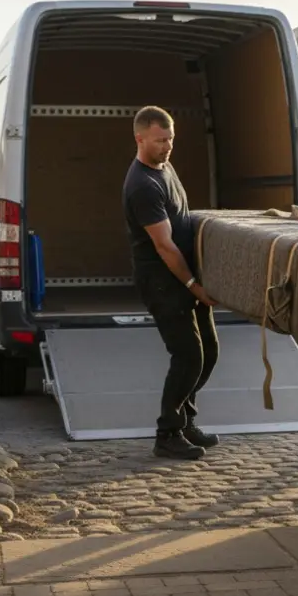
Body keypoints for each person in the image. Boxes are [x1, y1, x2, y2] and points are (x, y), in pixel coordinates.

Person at [123, 106, 221, 461]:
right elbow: (164, 246)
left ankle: (186, 421)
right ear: (140, 139)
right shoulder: (142, 186)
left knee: (209, 351)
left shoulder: (165, 168)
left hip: (185, 277)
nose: (167, 146)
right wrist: (195, 285)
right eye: (160, 140)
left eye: (171, 139)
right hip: (163, 282)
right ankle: (167, 433)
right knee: (188, 356)